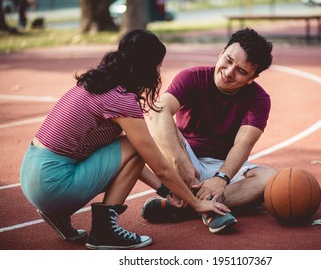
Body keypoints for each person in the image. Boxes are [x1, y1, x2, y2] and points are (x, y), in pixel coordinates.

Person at [19, 29, 229, 250]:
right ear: (147, 66)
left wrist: (166, 192)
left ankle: (58, 214)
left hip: (32, 174)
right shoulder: (121, 100)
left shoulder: (94, 83)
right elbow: (159, 165)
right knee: (139, 145)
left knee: (130, 146)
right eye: (158, 64)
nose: (159, 70)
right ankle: (104, 231)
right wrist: (196, 203)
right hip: (52, 185)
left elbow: (126, 161)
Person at [141, 28, 277, 233]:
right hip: (186, 160)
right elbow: (159, 113)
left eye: (241, 71)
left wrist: (222, 179)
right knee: (163, 125)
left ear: (252, 77)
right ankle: (210, 207)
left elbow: (244, 143)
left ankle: (191, 206)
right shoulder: (191, 77)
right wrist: (181, 161)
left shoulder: (259, 99)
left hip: (223, 166)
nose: (229, 72)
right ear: (221, 52)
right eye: (229, 60)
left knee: (270, 178)